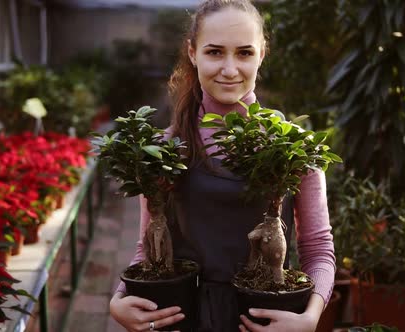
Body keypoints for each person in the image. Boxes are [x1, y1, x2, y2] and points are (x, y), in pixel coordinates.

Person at [109, 0, 335, 331]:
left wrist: (310, 318)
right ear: (192, 53)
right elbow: (148, 247)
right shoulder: (163, 149)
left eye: (244, 53)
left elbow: (318, 248)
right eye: (215, 52)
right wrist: (118, 302)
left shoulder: (294, 148)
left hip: (262, 319)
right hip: (182, 318)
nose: (229, 69)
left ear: (261, 55)